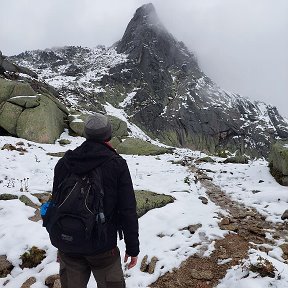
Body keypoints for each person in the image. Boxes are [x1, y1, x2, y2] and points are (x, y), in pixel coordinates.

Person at [51, 113, 139, 288]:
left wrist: (61, 240)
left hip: (68, 241)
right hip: (103, 246)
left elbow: (56, 204)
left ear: (86, 134)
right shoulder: (116, 164)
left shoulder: (65, 162)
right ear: (108, 134)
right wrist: (132, 248)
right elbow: (127, 209)